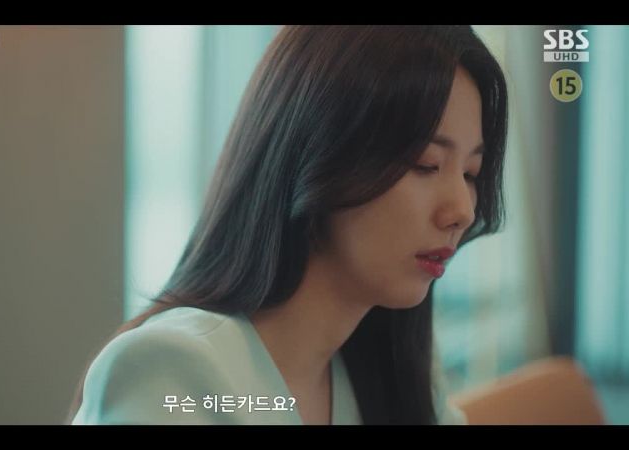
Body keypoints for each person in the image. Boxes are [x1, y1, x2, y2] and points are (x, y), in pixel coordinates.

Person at [70, 25, 507, 425]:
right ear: (322, 153)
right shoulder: (176, 371)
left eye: (471, 173)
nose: (462, 211)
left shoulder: (390, 370)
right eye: (426, 164)